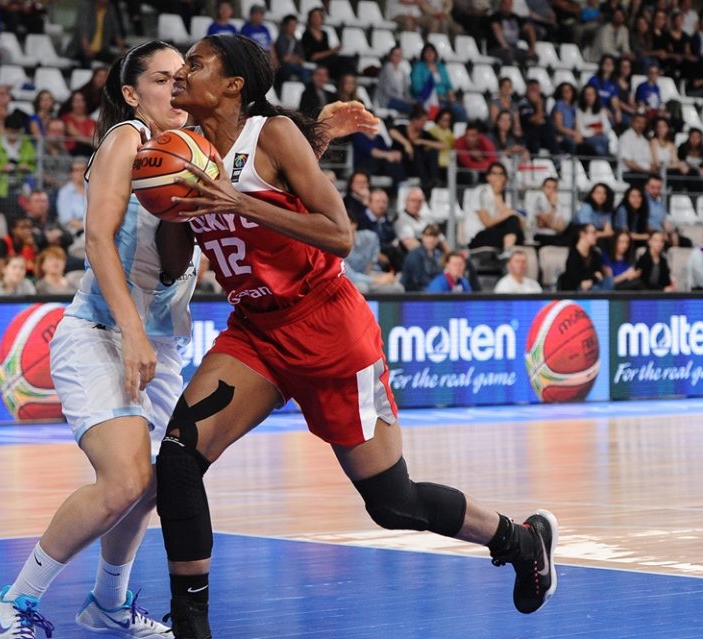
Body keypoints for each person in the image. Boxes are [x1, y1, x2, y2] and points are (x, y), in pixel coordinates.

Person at [0, 37, 382, 639]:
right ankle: (13, 601)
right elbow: (97, 241)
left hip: (160, 343)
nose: (176, 86)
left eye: (183, 75)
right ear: (131, 94)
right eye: (163, 77)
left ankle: (108, 603)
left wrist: (317, 132)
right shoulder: (127, 140)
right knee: (124, 482)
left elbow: (259, 177)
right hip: (103, 332)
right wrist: (135, 333)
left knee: (163, 476)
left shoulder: (193, 148)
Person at [159, 34, 557, 639]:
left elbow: (338, 234)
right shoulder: (183, 149)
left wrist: (238, 200)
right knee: (179, 457)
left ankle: (521, 540)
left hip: (327, 327)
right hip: (256, 334)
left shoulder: (271, 134)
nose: (182, 72)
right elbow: (170, 262)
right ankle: (191, 624)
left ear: (235, 84)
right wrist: (168, 205)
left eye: (196, 63)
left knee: (392, 503)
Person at [467, 161, 525, 255]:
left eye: (501, 174)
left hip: (496, 233)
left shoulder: (506, 195)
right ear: (488, 177)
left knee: (516, 227)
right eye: (494, 173)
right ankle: (508, 254)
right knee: (514, 224)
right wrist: (509, 212)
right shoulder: (481, 192)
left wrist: (498, 198)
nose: (498, 177)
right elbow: (487, 222)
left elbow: (513, 218)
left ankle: (507, 253)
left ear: (505, 178)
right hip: (478, 235)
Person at [559, 223, 612, 291]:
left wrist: (591, 279)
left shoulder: (596, 254)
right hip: (576, 289)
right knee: (594, 288)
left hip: (594, 286)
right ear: (582, 234)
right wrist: (593, 276)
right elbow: (575, 277)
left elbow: (599, 274)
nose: (596, 235)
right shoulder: (573, 254)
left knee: (608, 281)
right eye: (593, 233)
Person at [400, 223, 445, 291]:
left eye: (434, 236)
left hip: (433, 290)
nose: (431, 239)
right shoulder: (414, 255)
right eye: (428, 236)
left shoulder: (438, 254)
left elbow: (441, 274)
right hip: (413, 293)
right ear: (423, 237)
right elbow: (419, 279)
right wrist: (438, 286)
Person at [527, 177, 570, 246]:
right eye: (548, 187)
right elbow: (542, 223)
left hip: (555, 236)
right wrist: (552, 207)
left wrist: (551, 225)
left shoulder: (558, 203)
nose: (551, 190)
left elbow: (561, 227)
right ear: (543, 188)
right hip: (541, 236)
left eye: (554, 188)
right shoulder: (539, 200)